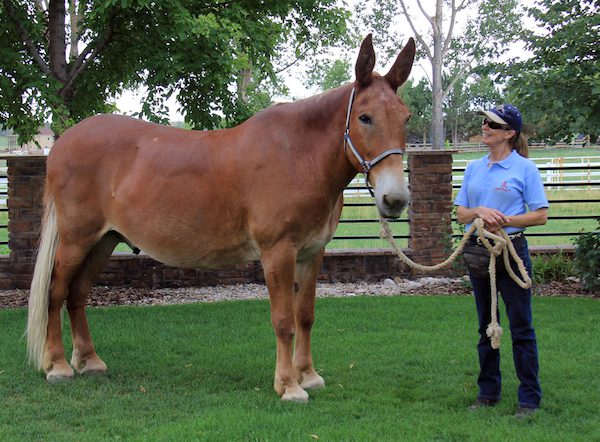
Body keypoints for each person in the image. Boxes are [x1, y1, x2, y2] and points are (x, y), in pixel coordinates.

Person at [454, 104, 549, 419]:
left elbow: (540, 215)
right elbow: (461, 214)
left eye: (492, 124)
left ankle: (529, 398)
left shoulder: (525, 169)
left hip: (511, 252)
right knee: (486, 326)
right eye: (484, 122)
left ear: (509, 133)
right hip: (480, 253)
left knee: (521, 327)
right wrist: (480, 212)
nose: (485, 127)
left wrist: (505, 219)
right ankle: (488, 393)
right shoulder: (473, 168)